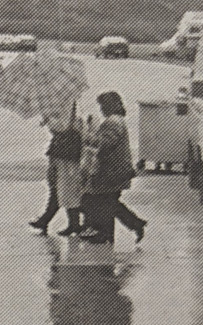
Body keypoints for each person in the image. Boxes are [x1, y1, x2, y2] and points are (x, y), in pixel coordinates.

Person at [79, 91, 147, 244]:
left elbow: (105, 143)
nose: (101, 109)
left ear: (109, 106)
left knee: (100, 201)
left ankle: (115, 229)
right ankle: (108, 232)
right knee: (108, 202)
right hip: (116, 170)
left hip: (111, 170)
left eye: (103, 106)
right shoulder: (117, 120)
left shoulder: (112, 122)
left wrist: (85, 135)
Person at [30, 103, 85, 236]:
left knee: (64, 187)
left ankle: (71, 222)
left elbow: (62, 126)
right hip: (59, 150)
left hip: (66, 152)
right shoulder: (58, 103)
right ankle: (56, 221)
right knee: (56, 185)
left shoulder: (67, 104)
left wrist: (48, 118)